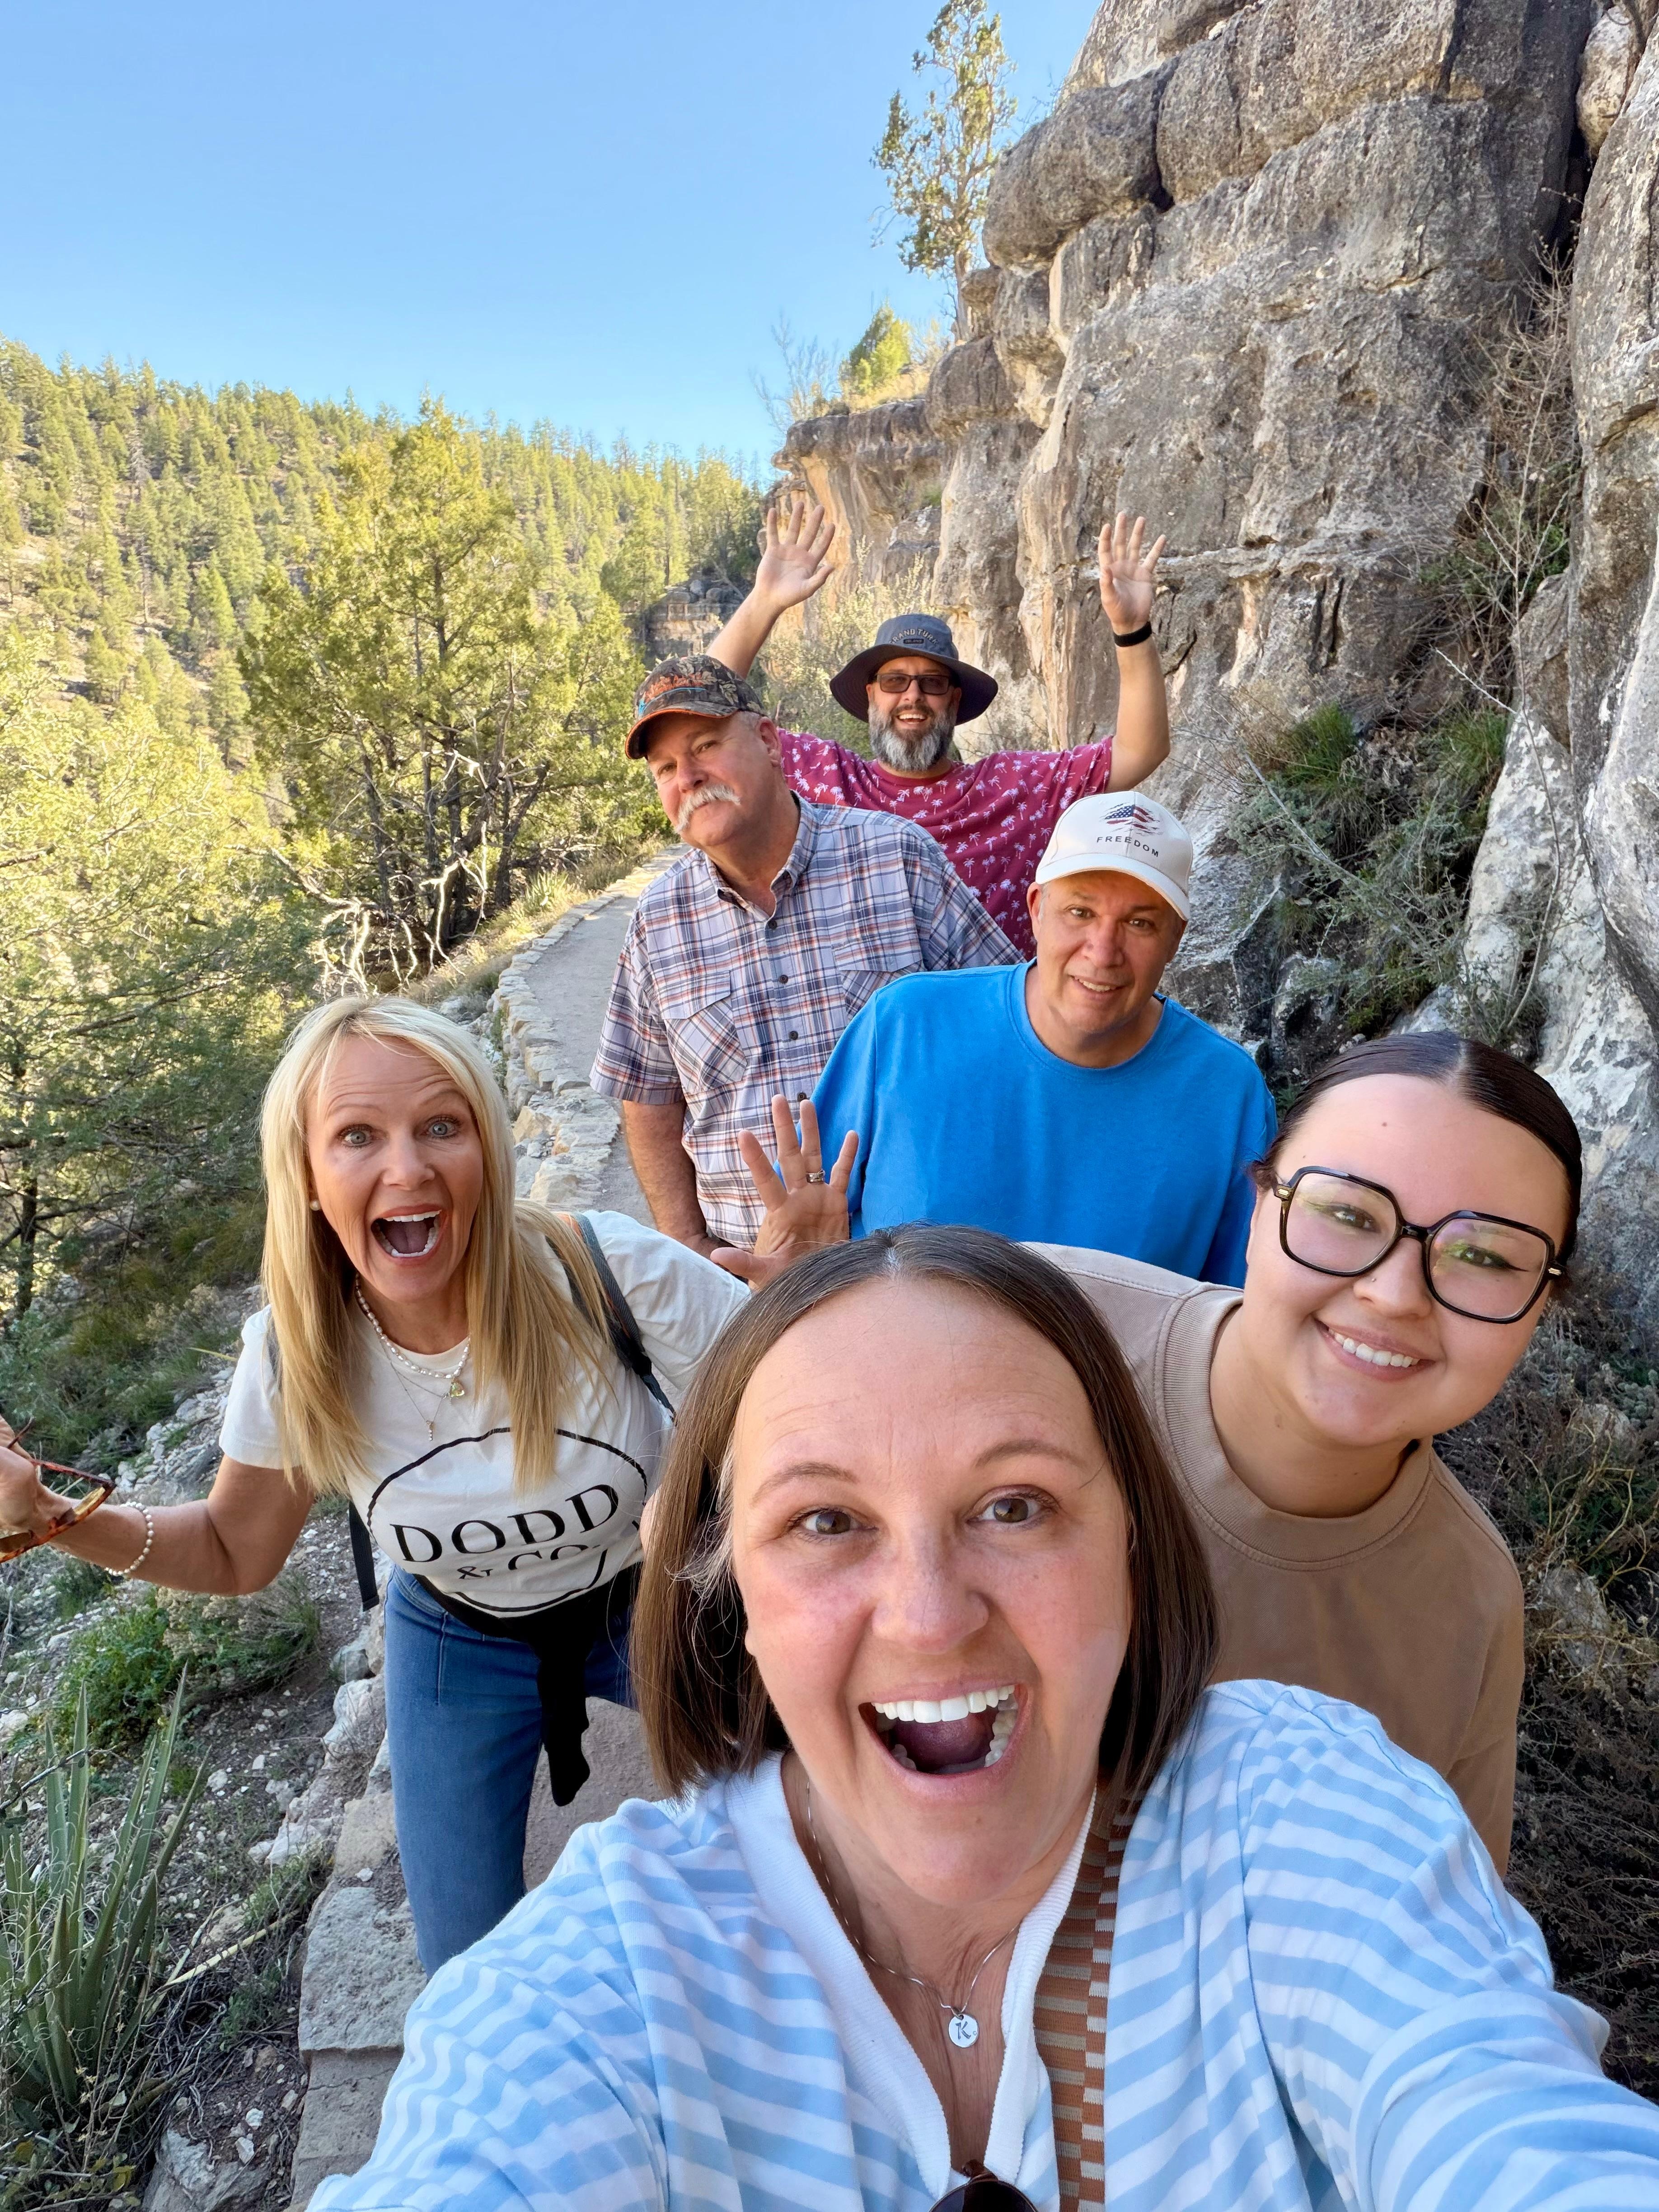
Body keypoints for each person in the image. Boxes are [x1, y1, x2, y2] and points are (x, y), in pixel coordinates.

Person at [307, 1228, 1659, 2212]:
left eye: (1015, 1505)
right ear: (729, 1588)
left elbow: (1498, 2110)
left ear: (1131, 1535)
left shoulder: (1293, 1814)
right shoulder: (608, 1983)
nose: (929, 1616)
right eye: (824, 1521)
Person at [0, 999, 846, 1973]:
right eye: (358, 1136)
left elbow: (809, 1421)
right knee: (463, 1965)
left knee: (809, 1856)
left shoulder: (605, 1270)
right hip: (457, 1636)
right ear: (307, 1177)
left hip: (649, 1598)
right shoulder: (296, 1353)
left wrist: (814, 1307)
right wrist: (51, 1519)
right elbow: (235, 1551)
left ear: (487, 1148)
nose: (407, 1169)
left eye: (442, 1125)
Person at [1032, 1029, 1580, 1872]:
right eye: (1349, 1215)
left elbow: (1435, 1926)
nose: (1394, 1295)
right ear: (1260, 1208)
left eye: (1482, 1256)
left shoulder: (1467, 1607)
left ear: (1541, 1306)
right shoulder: (1035, 1338)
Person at [590, 655, 1014, 1259]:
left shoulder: (896, 859)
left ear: (768, 742)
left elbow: (1005, 1027)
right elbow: (647, 1093)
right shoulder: (658, 921)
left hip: (916, 1264)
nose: (688, 777)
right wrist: (688, 1245)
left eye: (706, 746)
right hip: (749, 1278)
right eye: (665, 768)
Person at [811, 788, 1275, 1284]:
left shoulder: (1227, 1094)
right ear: (1037, 909)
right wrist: (796, 1269)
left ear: (1175, 939)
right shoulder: (906, 1024)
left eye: (1140, 923)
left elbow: (1239, 1305)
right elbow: (810, 1224)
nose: (1103, 952)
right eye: (1080, 912)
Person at [705, 496, 1172, 956]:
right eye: (894, 681)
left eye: (932, 683)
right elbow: (704, 711)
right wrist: (764, 602)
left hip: (985, 1008)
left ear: (954, 699)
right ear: (871, 695)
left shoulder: (1014, 791)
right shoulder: (825, 778)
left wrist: (1131, 629)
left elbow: (1140, 751)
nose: (913, 696)